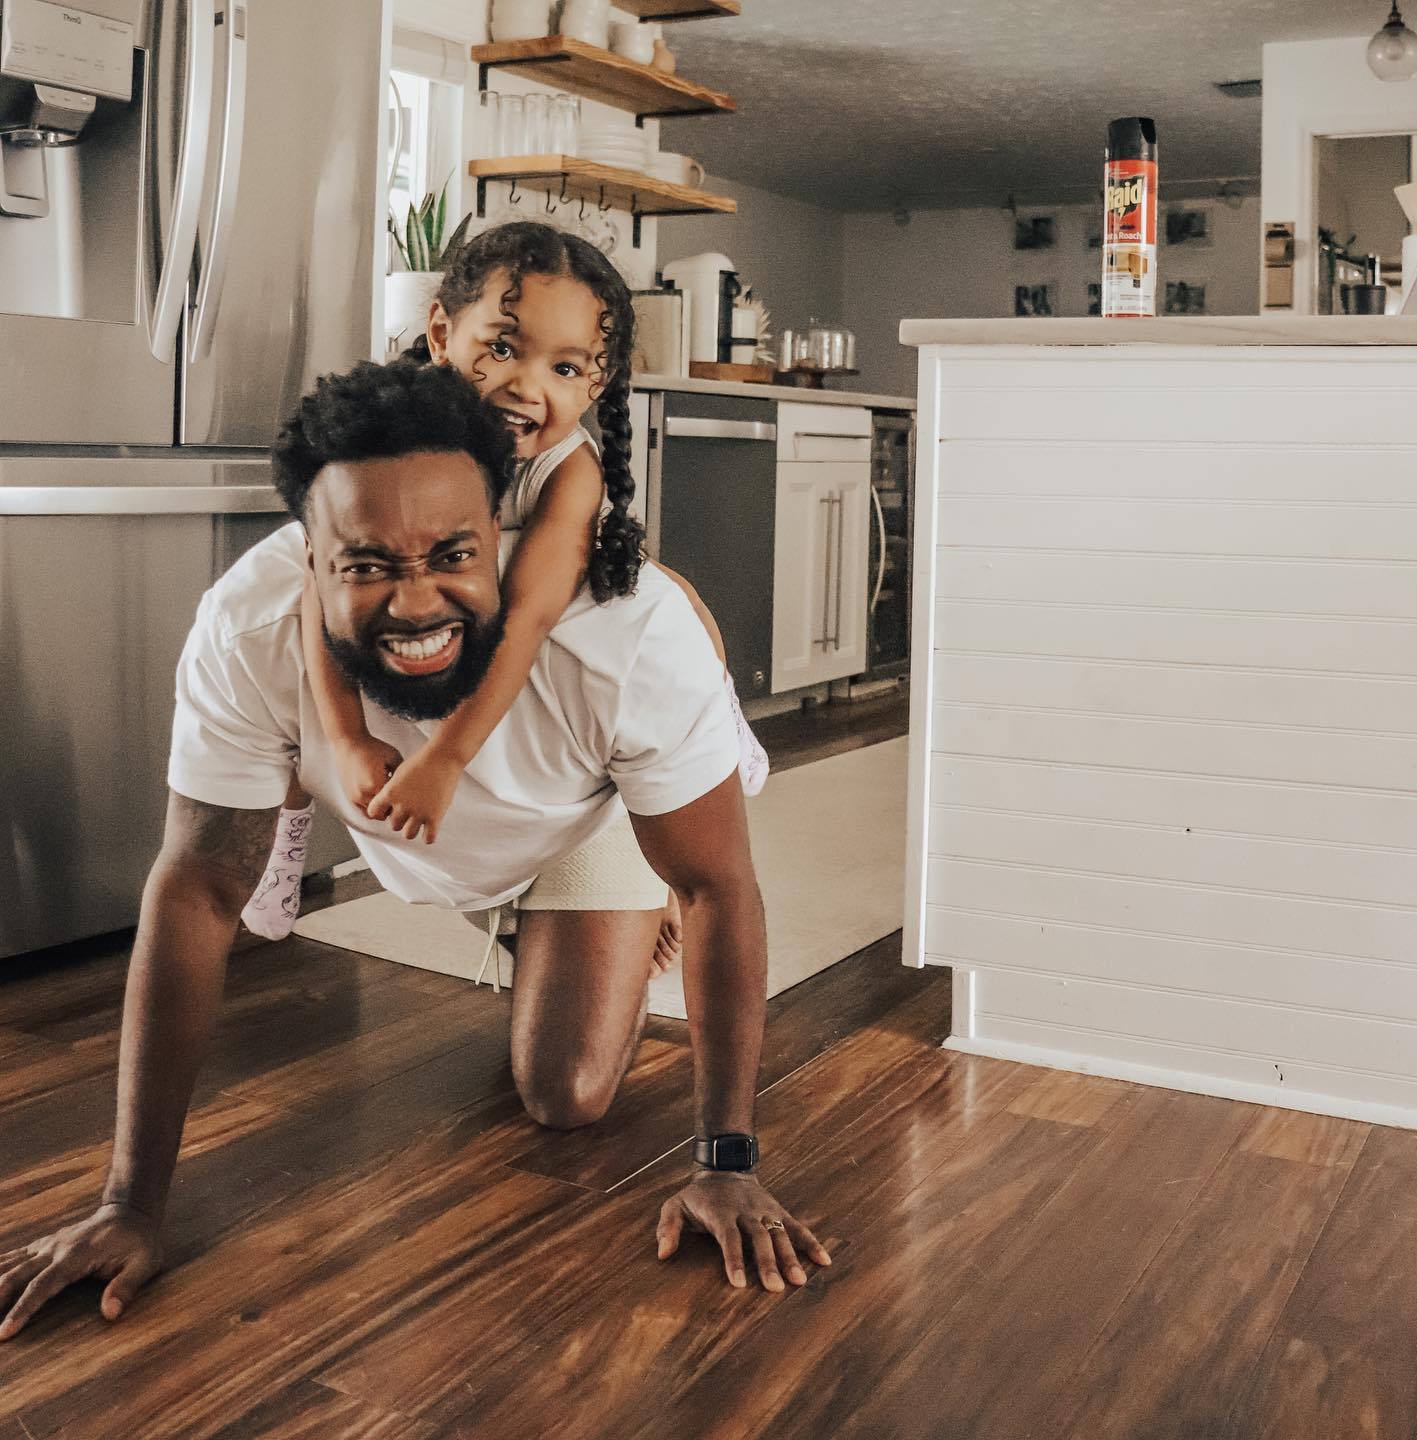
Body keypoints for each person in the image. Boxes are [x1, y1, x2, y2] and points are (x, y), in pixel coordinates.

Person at [0, 358, 827, 1342]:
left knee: (567, 1093)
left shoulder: (628, 634)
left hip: (585, 819)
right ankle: (520, 923)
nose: (417, 603)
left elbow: (718, 885)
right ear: (310, 562)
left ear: (500, 534)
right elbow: (198, 890)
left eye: (452, 554)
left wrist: (726, 1165)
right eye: (367, 567)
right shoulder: (246, 628)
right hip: (419, 829)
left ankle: (601, 904)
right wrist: (128, 1203)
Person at [240, 222, 769, 947]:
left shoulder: (567, 471)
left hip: (539, 599)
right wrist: (347, 738)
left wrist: (445, 760)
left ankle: (702, 769)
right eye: (502, 348)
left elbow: (526, 616)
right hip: (415, 614)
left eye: (566, 368)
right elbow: (318, 591)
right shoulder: (398, 438)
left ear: (598, 383)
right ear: (441, 334)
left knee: (676, 606)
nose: (526, 385)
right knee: (283, 608)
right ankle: (284, 835)